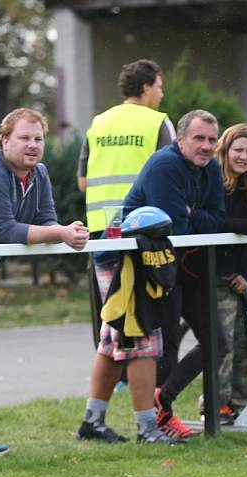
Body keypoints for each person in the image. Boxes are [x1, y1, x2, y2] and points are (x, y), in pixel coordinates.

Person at [79, 110, 225, 443]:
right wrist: (193, 218)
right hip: (123, 259)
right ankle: (147, 428)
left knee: (116, 342)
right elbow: (176, 228)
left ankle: (93, 421)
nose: (206, 146)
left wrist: (193, 215)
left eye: (212, 140)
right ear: (180, 139)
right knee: (137, 341)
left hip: (154, 261)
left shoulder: (210, 166)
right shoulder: (165, 166)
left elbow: (216, 221)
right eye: (198, 138)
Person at [0, 108, 89, 455]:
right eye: (23, 138)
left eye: (38, 139)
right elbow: (4, 230)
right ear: (4, 140)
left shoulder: (39, 174)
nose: (32, 146)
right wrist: (61, 233)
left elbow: (46, 220)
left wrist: (64, 230)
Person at [155, 125, 247, 425]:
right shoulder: (215, 182)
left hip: (237, 278)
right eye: (239, 150)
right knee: (219, 344)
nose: (245, 157)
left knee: (240, 344)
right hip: (204, 272)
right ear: (225, 150)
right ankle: (208, 405)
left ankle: (237, 405)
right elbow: (216, 223)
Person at [77, 59, 174, 233]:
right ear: (146, 88)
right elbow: (172, 178)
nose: (162, 94)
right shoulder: (158, 122)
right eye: (159, 87)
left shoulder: (98, 123)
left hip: (101, 227)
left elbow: (83, 183)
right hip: (143, 224)